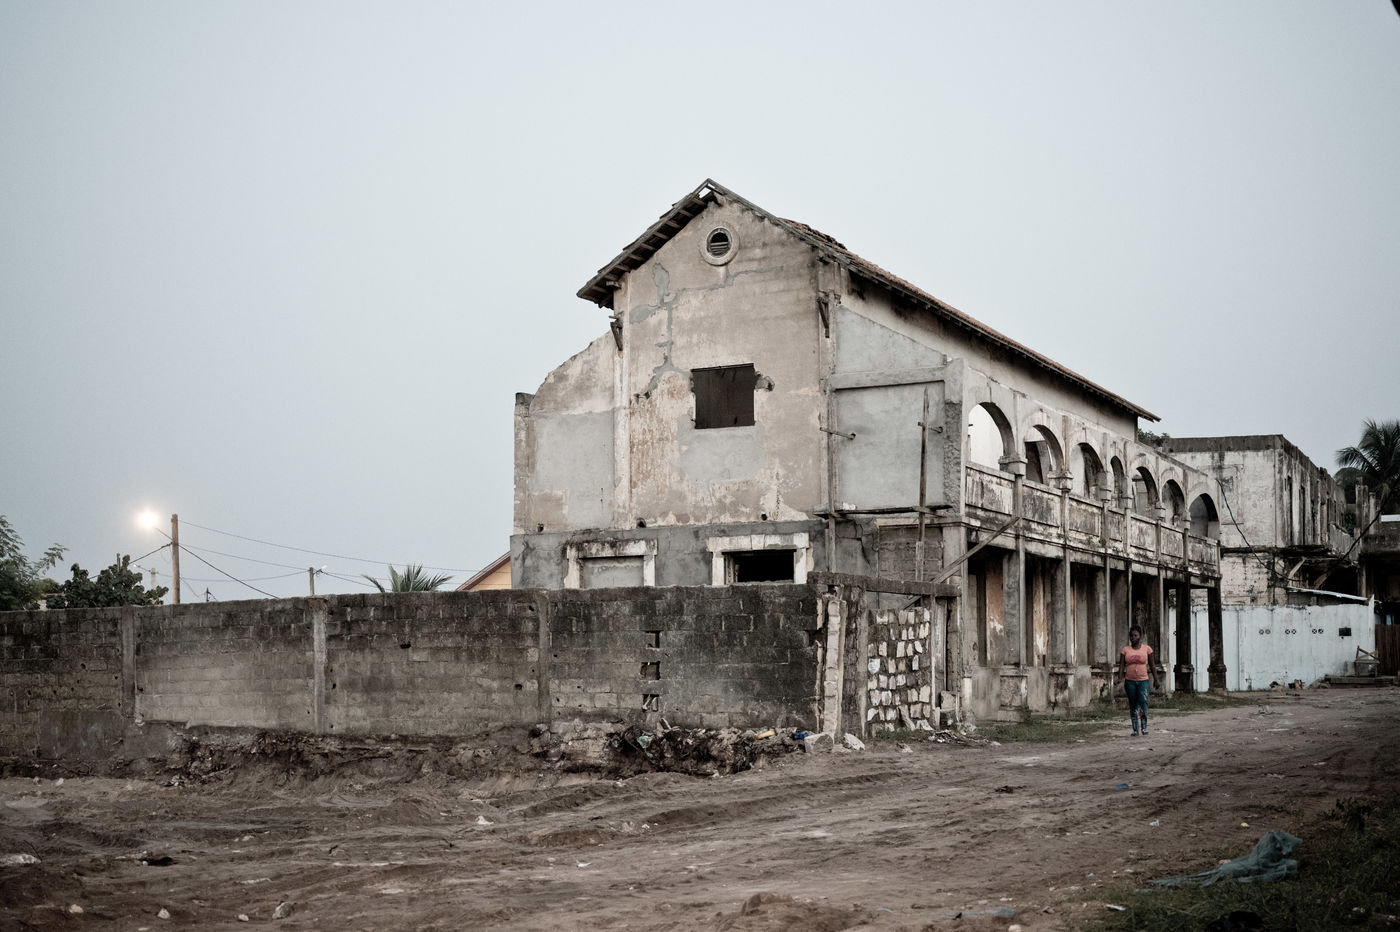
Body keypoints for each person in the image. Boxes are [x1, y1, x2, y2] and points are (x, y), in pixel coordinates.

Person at [1116, 624, 1160, 736]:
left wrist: (1156, 679)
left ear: (1140, 636)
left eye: (1135, 635)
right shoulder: (1125, 650)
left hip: (1143, 681)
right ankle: (1135, 729)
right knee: (1133, 704)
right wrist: (1119, 678)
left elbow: (1152, 665)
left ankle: (1144, 727)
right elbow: (1121, 665)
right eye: (1131, 636)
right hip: (1130, 681)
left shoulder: (1147, 649)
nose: (1133, 638)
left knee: (1143, 702)